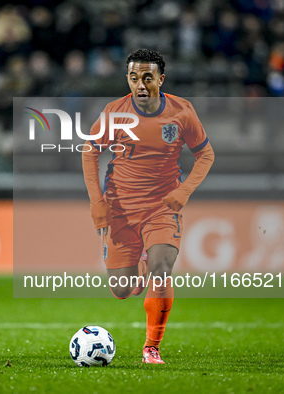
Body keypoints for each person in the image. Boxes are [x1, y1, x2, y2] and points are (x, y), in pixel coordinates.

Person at [82, 49, 214, 364]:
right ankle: (139, 263)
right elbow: (89, 152)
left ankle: (151, 347)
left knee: (162, 269)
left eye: (147, 77)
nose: (140, 84)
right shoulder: (114, 112)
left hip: (163, 208)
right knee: (122, 289)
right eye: (133, 77)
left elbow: (205, 154)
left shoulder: (182, 112)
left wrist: (184, 191)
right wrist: (97, 202)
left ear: (160, 80)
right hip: (120, 209)